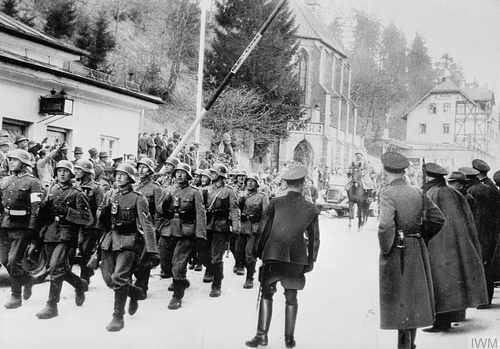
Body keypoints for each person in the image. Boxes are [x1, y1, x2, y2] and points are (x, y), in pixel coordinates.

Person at [246, 166, 319, 348]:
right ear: (303, 184)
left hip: (272, 256)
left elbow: (263, 231)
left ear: (286, 184)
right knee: (291, 296)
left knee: (266, 293)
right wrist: (310, 261)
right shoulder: (311, 208)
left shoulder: (275, 203)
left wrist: (257, 252)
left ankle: (261, 336)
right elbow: (314, 240)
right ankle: (289, 339)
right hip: (297, 258)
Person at [377, 152, 444, 349]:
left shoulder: (387, 193)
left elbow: (385, 226)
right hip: (416, 248)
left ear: (385, 171)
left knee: (399, 299)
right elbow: (438, 219)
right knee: (413, 299)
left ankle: (403, 346)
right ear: (404, 171)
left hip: (397, 249)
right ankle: (409, 344)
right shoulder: (418, 191)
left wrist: (385, 248)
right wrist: (420, 236)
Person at [422, 163, 488, 332]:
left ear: (429, 177)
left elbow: (428, 220)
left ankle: (441, 322)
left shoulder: (432, 193)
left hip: (438, 244)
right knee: (451, 281)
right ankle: (451, 317)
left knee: (440, 282)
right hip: (456, 243)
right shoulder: (453, 192)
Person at [98, 163, 160, 331]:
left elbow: (147, 226)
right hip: (110, 240)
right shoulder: (110, 195)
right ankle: (134, 292)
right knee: (108, 278)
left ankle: (118, 317)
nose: (118, 177)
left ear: (130, 178)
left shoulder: (138, 198)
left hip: (128, 242)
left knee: (119, 277)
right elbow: (102, 220)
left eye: (123, 175)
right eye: (117, 174)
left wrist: (152, 250)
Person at [36, 160, 92, 319]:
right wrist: (43, 206)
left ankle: (52, 305)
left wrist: (67, 211)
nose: (61, 173)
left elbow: (87, 218)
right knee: (57, 268)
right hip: (50, 233)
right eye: (59, 170)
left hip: (66, 235)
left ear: (71, 174)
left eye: (65, 171)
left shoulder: (77, 193)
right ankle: (80, 284)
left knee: (55, 267)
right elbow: (43, 214)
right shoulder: (51, 189)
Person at [156, 163, 206, 309]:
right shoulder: (167, 190)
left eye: (183, 173)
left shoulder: (194, 192)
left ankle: (177, 296)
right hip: (169, 229)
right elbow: (159, 210)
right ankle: (180, 280)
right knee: (164, 260)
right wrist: (164, 204)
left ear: (188, 176)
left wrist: (200, 235)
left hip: (186, 230)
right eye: (177, 172)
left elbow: (200, 214)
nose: (179, 175)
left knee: (179, 264)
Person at [0, 149, 43, 309]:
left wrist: (32, 228)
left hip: (22, 226)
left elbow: (36, 206)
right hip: (5, 224)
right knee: (4, 260)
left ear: (24, 163)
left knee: (13, 261)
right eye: (9, 160)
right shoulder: (5, 180)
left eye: (15, 160)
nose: (11, 162)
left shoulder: (32, 182)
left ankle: (16, 296)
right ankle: (27, 279)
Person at [461, 165, 500, 308]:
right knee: (487, 265)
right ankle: (486, 299)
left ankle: (481, 301)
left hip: (478, 233)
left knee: (478, 265)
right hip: (491, 233)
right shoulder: (489, 188)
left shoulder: (471, 191)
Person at [201, 162, 240, 297]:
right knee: (204, 255)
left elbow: (234, 210)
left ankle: (217, 285)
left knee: (217, 256)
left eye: (214, 173)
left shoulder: (229, 191)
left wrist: (235, 227)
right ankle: (210, 270)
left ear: (220, 176)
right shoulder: (206, 190)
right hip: (207, 225)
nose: (211, 174)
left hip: (221, 226)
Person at [131, 158, 162, 300]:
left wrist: (155, 229)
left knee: (144, 259)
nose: (141, 170)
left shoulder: (156, 188)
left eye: (144, 168)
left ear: (150, 170)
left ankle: (142, 286)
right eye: (140, 167)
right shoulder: (133, 186)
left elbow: (159, 211)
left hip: (146, 227)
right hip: (131, 226)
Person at [74, 159, 104, 285]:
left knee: (85, 252)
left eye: (79, 170)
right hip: (76, 224)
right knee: (77, 251)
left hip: (90, 226)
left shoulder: (96, 188)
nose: (75, 172)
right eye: (75, 169)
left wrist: (97, 227)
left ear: (86, 172)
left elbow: (100, 207)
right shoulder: (75, 186)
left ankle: (84, 278)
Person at [237, 173, 269, 289]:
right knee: (239, 252)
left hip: (254, 228)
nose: (249, 183)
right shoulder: (242, 195)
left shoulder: (262, 196)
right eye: (248, 181)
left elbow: (266, 214)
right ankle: (248, 268)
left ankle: (249, 278)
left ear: (257, 184)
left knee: (249, 253)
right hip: (243, 227)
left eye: (252, 181)